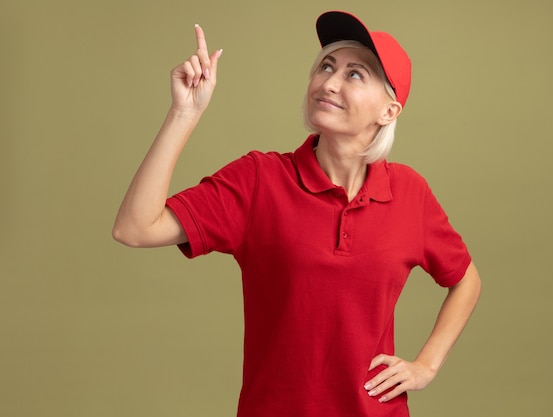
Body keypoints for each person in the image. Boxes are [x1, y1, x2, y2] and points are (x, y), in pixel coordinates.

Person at [113, 10, 481, 417]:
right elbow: (135, 227)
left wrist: (426, 365)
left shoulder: (410, 192)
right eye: (326, 66)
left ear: (389, 111)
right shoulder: (259, 180)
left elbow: (466, 281)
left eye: (355, 74)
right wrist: (184, 113)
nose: (329, 82)